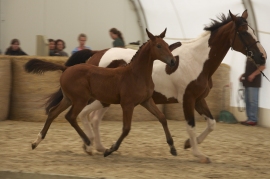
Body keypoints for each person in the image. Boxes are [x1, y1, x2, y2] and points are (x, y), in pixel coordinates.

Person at [239, 58, 266, 126]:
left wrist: (253, 75)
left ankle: (253, 119)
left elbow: (262, 67)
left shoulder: (259, 55)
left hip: (254, 82)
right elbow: (250, 69)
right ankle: (249, 118)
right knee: (247, 100)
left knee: (253, 101)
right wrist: (243, 75)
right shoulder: (249, 56)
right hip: (247, 82)